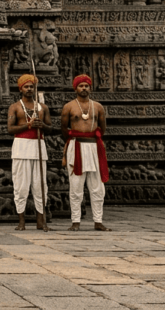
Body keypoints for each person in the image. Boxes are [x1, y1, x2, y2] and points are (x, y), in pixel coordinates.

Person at [61, 74, 111, 232]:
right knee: (76, 186)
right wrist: (76, 138)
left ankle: (98, 221)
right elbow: (63, 128)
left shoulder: (97, 107)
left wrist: (90, 138)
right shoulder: (69, 107)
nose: (84, 88)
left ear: (90, 88)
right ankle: (75, 221)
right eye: (81, 86)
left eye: (86, 86)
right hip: (76, 146)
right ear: (75, 88)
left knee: (97, 187)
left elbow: (102, 128)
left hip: (93, 147)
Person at [7, 74, 52, 231]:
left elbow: (51, 128)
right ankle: (21, 222)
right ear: (20, 88)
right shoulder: (15, 107)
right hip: (21, 147)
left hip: (38, 146)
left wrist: (41, 125)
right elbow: (10, 129)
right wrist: (28, 125)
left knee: (40, 185)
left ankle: (41, 221)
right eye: (26, 86)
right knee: (21, 186)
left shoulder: (43, 108)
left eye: (31, 86)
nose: (29, 89)